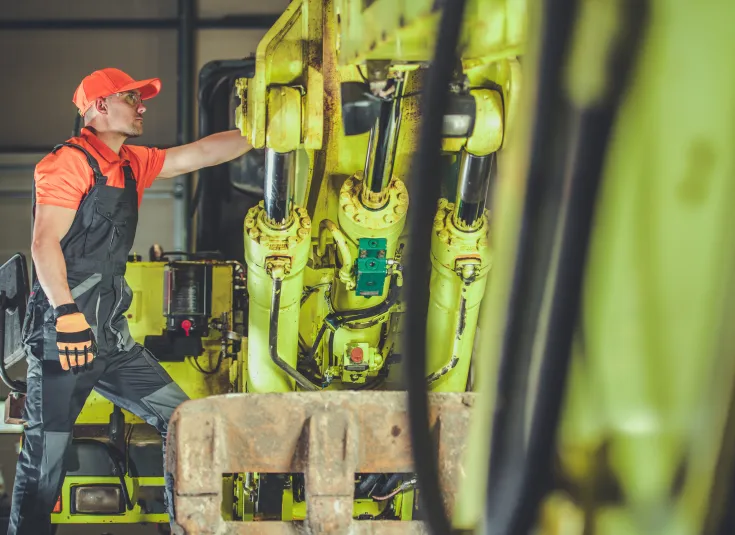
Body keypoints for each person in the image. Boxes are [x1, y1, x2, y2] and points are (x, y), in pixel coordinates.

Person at [8, 67, 252, 535]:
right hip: (66, 340)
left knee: (185, 422)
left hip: (113, 344)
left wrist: (264, 130)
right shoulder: (68, 163)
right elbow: (44, 244)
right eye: (131, 97)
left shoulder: (129, 163)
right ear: (99, 106)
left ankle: (187, 526)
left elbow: (199, 154)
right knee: (46, 460)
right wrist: (67, 315)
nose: (142, 106)